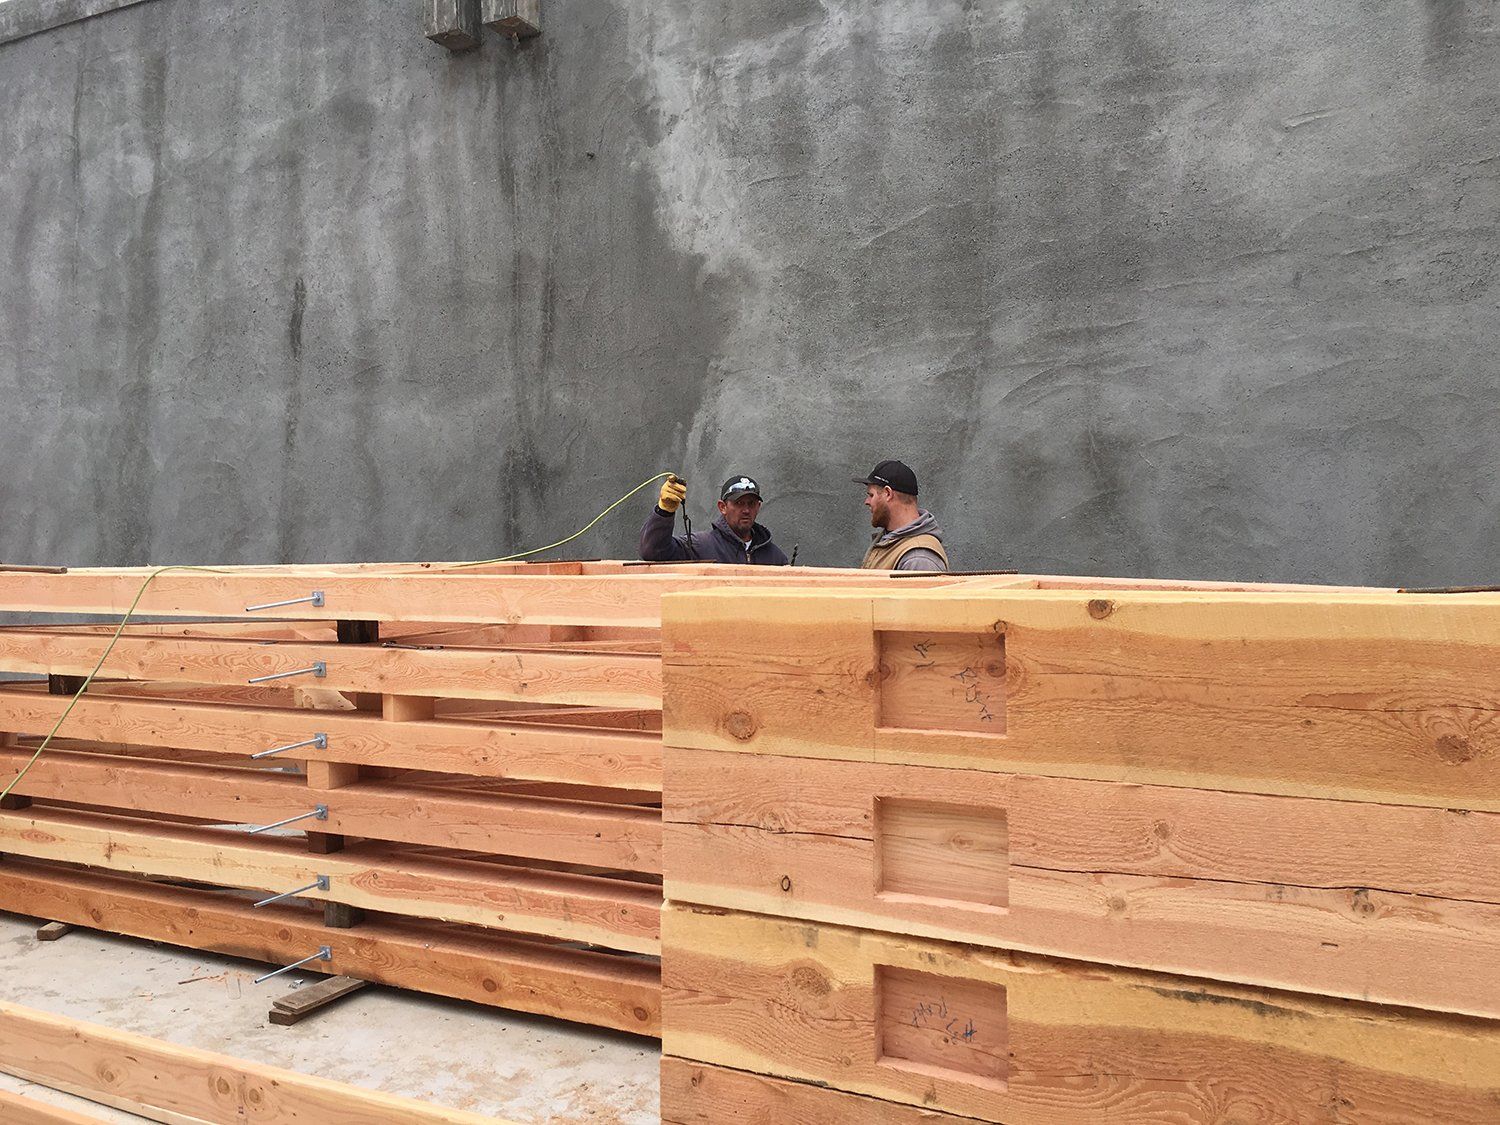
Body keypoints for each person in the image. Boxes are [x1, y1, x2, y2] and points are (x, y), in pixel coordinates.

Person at [639, 474, 790, 565]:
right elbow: (653, 552)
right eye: (738, 503)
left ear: (758, 507)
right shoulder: (700, 547)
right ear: (722, 507)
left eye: (751, 504)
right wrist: (664, 511)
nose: (746, 510)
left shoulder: (775, 557)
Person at [854, 459, 949, 571]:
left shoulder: (918, 560)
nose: (867, 501)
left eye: (871, 495)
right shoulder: (892, 540)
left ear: (888, 493)